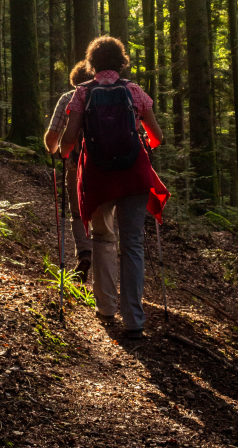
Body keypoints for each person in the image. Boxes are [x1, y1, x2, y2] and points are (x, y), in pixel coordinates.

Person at [59, 36, 169, 340]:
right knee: (132, 242)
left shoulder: (82, 94)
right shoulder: (134, 92)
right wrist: (139, 135)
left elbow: (68, 140)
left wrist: (61, 151)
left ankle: (106, 307)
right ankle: (134, 320)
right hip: (133, 173)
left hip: (98, 176)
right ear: (122, 62)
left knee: (103, 239)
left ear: (92, 64)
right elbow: (157, 136)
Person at [44, 61, 94, 282]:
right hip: (110, 167)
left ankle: (85, 253)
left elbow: (53, 135)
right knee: (106, 217)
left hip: (76, 164)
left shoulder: (68, 98)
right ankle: (106, 265)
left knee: (77, 213)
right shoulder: (114, 94)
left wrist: (54, 152)